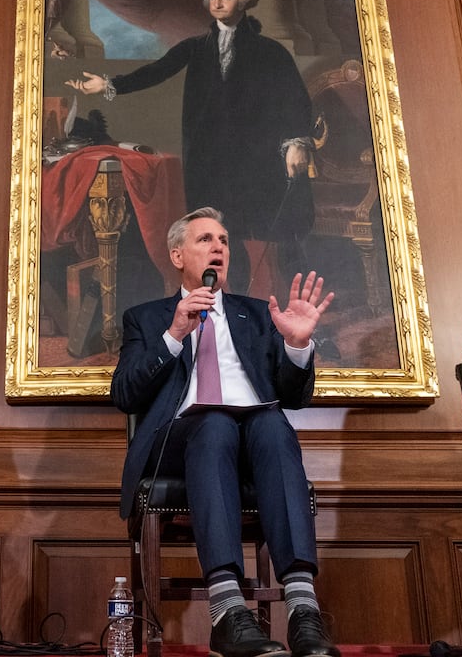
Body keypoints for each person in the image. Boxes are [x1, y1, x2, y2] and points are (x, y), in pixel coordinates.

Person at [111, 207, 338, 657]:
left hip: (255, 439)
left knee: (273, 422)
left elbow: (294, 396)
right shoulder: (148, 317)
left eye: (224, 240)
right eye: (205, 240)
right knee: (213, 423)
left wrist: (296, 345)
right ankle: (228, 611)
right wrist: (175, 333)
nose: (219, 247)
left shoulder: (257, 314)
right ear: (178, 255)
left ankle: (304, 611)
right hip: (180, 442)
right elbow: (124, 393)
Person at [67, 0, 315, 295]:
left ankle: (301, 306)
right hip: (212, 160)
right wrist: (108, 85)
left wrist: (296, 143)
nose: (217, 2)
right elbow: (156, 71)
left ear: (244, 3)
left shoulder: (271, 51)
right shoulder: (196, 47)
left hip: (259, 158)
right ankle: (235, 302)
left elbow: (293, 97)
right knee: (224, 233)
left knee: (284, 232)